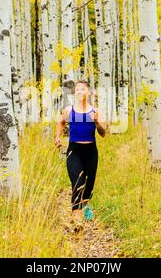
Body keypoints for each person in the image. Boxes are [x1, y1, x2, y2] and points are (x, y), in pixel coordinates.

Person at [54, 80, 107, 232]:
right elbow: (61, 123)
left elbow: (103, 133)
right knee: (78, 183)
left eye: (82, 89)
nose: (79, 91)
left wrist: (97, 123)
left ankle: (86, 204)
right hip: (74, 151)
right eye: (77, 89)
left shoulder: (95, 111)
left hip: (91, 152)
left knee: (88, 187)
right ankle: (78, 221)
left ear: (88, 92)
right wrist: (57, 137)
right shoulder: (69, 110)